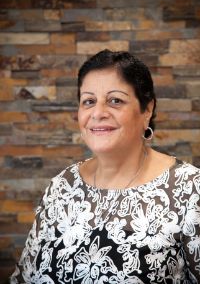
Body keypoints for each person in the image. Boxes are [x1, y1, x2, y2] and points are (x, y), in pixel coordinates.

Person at [10, 49, 200, 283]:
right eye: (88, 101)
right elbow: (24, 277)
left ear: (147, 110)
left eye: (115, 100)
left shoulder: (189, 190)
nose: (98, 113)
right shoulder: (62, 185)